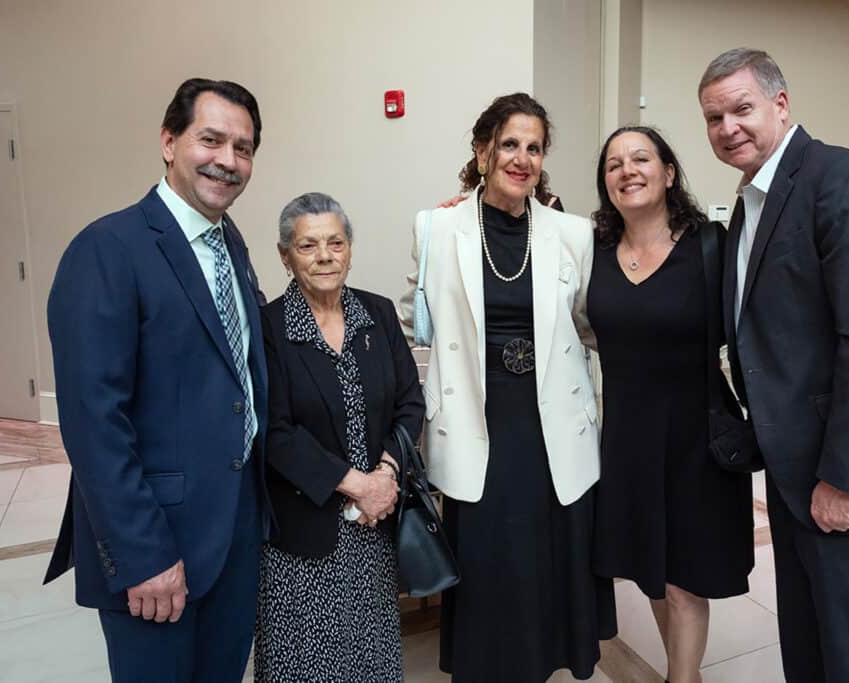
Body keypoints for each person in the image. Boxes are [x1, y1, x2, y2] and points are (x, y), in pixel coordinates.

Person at [697, 48, 849, 682]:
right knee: (809, 647)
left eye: (742, 108)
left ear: (781, 105)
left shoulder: (842, 178)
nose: (728, 127)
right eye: (713, 118)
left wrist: (845, 479)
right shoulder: (750, 204)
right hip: (795, 469)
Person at [45, 78, 270, 681]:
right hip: (158, 543)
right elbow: (94, 421)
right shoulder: (107, 249)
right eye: (211, 140)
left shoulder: (230, 244)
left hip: (234, 531)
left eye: (243, 148)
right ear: (169, 142)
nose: (228, 160)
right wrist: (143, 554)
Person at [398, 92, 617, 682]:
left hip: (551, 421)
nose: (522, 158)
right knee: (490, 559)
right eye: (510, 144)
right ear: (482, 150)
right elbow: (414, 319)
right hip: (476, 419)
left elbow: (592, 326)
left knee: (547, 555)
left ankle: (541, 663)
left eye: (535, 148)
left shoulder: (571, 233)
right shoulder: (437, 227)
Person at [589, 126, 753, 683]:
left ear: (668, 173)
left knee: (684, 581)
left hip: (696, 436)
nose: (627, 170)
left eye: (640, 158)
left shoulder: (711, 244)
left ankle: (681, 678)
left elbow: (778, 289)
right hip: (627, 438)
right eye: (614, 164)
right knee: (652, 573)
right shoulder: (592, 251)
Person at [254, 192, 423, 681]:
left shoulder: (379, 314)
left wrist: (385, 475)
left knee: (370, 657)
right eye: (308, 246)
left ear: (350, 249)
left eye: (336, 243)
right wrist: (358, 485)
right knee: (305, 661)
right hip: (303, 532)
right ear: (285, 256)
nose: (325, 256)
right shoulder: (269, 328)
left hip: (374, 524)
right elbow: (274, 430)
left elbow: (410, 403)